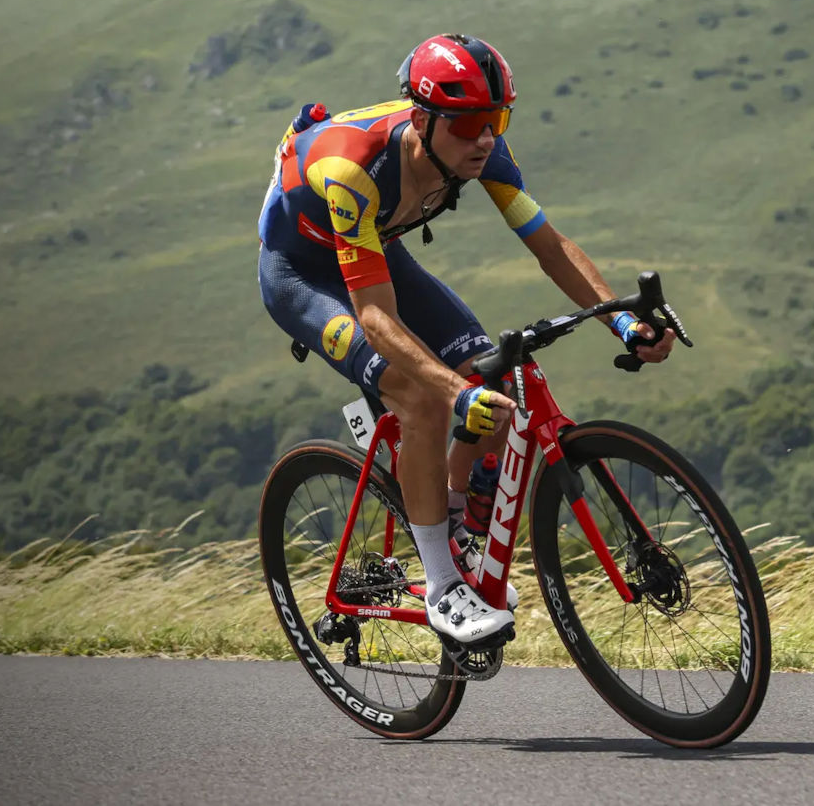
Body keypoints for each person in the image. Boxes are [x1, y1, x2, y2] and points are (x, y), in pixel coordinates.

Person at [257, 33, 674, 648]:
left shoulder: (482, 151)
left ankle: (450, 521)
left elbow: (549, 245)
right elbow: (374, 319)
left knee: (497, 384)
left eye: (497, 120)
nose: (486, 138)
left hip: (377, 251)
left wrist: (621, 320)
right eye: (473, 123)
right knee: (421, 396)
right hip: (303, 274)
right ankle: (443, 584)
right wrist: (452, 393)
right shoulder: (352, 170)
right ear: (423, 120)